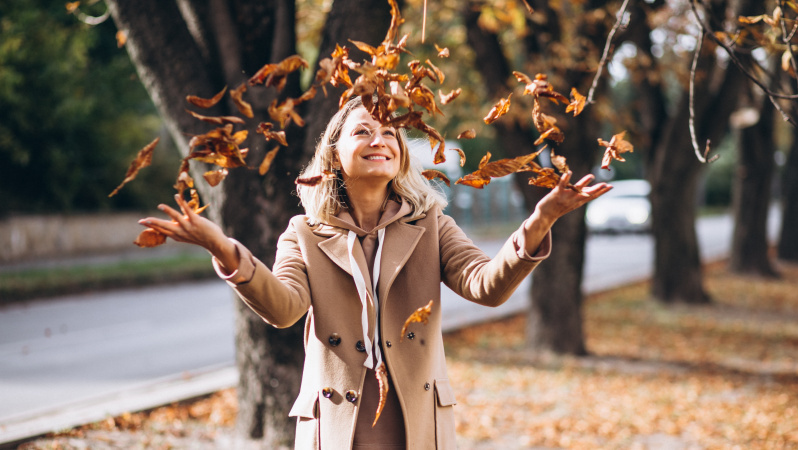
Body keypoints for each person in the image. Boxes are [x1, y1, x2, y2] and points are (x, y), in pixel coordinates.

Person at [140, 96, 611, 449]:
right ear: (334, 154)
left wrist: (540, 221)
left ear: (401, 156)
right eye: (362, 131)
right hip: (338, 421)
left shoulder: (432, 226)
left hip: (414, 418)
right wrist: (222, 248)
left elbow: (485, 286)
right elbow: (284, 310)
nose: (378, 139)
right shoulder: (303, 232)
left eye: (388, 133)